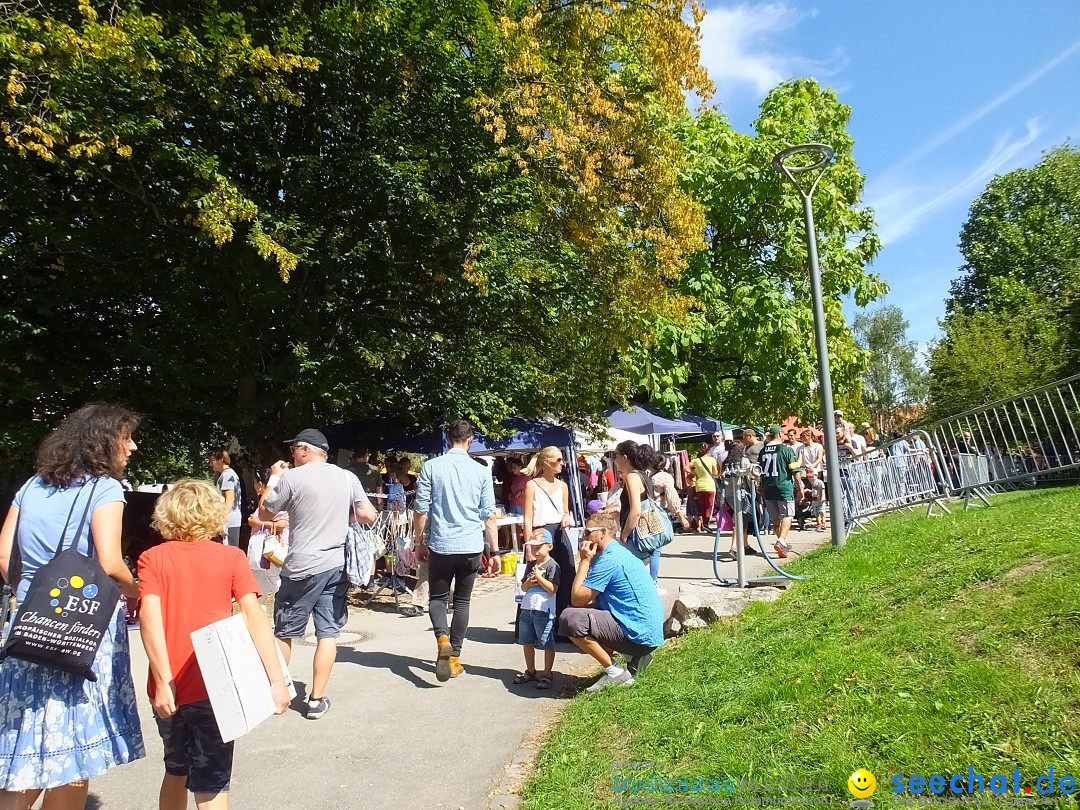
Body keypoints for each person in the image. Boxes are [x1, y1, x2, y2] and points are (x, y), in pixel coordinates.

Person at [0, 403, 145, 807]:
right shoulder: (105, 490)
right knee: (72, 751)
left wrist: (28, 590)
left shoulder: (31, 487)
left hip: (30, 623)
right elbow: (111, 563)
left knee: (24, 748)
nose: (131, 447)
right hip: (82, 630)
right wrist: (138, 592)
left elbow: (3, 555)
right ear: (102, 442)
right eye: (126, 438)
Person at [139, 479, 289, 810]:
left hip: (169, 686)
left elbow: (149, 620)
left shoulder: (152, 559)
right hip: (215, 687)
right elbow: (255, 619)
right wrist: (277, 681)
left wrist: (164, 681)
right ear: (214, 515)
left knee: (175, 770)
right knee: (212, 782)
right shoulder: (231, 558)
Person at [259, 428, 376, 720]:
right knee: (328, 633)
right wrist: (342, 515)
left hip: (300, 567)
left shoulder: (290, 479)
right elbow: (368, 515)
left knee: (285, 632)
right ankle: (316, 700)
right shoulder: (347, 477)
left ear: (303, 450)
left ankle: (278, 697)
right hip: (335, 565)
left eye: (293, 451)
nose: (291, 457)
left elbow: (263, 513)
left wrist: (274, 477)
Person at [412, 420, 499, 682]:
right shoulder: (481, 471)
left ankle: (441, 637)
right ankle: (454, 658)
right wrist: (494, 552)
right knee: (462, 602)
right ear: (470, 440)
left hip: (442, 544)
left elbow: (420, 510)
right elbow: (490, 516)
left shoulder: (431, 467)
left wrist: (418, 542)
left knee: (437, 598)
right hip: (471, 546)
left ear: (448, 439)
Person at [559, 511, 664, 691]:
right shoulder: (620, 553)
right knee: (583, 613)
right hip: (648, 634)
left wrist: (584, 560)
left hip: (639, 635)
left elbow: (577, 599)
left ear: (602, 533)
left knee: (570, 618)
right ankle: (636, 658)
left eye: (587, 531)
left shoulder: (608, 560)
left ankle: (616, 673)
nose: (584, 536)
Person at [521, 447, 576, 620]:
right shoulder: (532, 485)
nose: (562, 463)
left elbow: (566, 511)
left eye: (562, 460)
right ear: (546, 462)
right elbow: (528, 518)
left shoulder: (563, 486)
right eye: (558, 460)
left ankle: (564, 622)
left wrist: (567, 517)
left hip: (559, 533)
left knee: (565, 575)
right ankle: (535, 622)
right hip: (540, 534)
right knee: (537, 577)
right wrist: (529, 546)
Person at [512, 532, 561, 690]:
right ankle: (531, 670)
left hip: (544, 609)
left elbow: (553, 589)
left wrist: (540, 578)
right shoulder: (530, 564)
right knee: (526, 641)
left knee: (546, 642)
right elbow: (524, 587)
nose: (535, 551)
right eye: (533, 547)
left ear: (550, 546)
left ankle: (547, 673)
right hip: (527, 608)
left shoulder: (553, 565)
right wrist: (530, 581)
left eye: (539, 547)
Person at [614, 441, 662, 582]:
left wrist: (624, 535)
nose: (614, 460)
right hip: (647, 532)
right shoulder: (643, 475)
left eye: (615, 455)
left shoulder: (632, 477)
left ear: (624, 457)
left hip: (636, 535)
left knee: (635, 576)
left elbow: (635, 510)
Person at [247, 468, 288, 610]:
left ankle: (286, 607)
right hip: (262, 551)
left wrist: (258, 523)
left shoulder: (272, 502)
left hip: (270, 549)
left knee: (273, 578)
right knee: (260, 581)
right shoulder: (262, 504)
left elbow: (282, 524)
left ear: (261, 484)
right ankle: (256, 608)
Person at [759, 425, 803, 558]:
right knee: (787, 515)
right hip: (783, 486)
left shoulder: (763, 451)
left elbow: (759, 471)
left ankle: (781, 547)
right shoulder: (786, 450)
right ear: (779, 435)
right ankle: (781, 540)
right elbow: (795, 470)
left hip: (768, 487)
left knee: (775, 518)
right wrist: (800, 488)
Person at [209, 450, 242, 547]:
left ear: (221, 459)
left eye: (212, 460)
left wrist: (223, 521)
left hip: (229, 522)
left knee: (228, 553)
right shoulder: (226, 475)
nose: (211, 464)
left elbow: (230, 498)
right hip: (230, 521)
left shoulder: (227, 475)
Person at [650, 455, 690, 532]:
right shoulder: (666, 477)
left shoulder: (645, 475)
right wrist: (681, 517)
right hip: (660, 510)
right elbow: (671, 498)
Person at [688, 444, 719, 533]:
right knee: (709, 506)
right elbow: (715, 473)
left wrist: (695, 472)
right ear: (709, 450)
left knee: (702, 506)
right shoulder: (712, 460)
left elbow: (686, 468)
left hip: (699, 486)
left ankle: (702, 525)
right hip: (709, 485)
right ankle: (706, 524)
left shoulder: (696, 461)